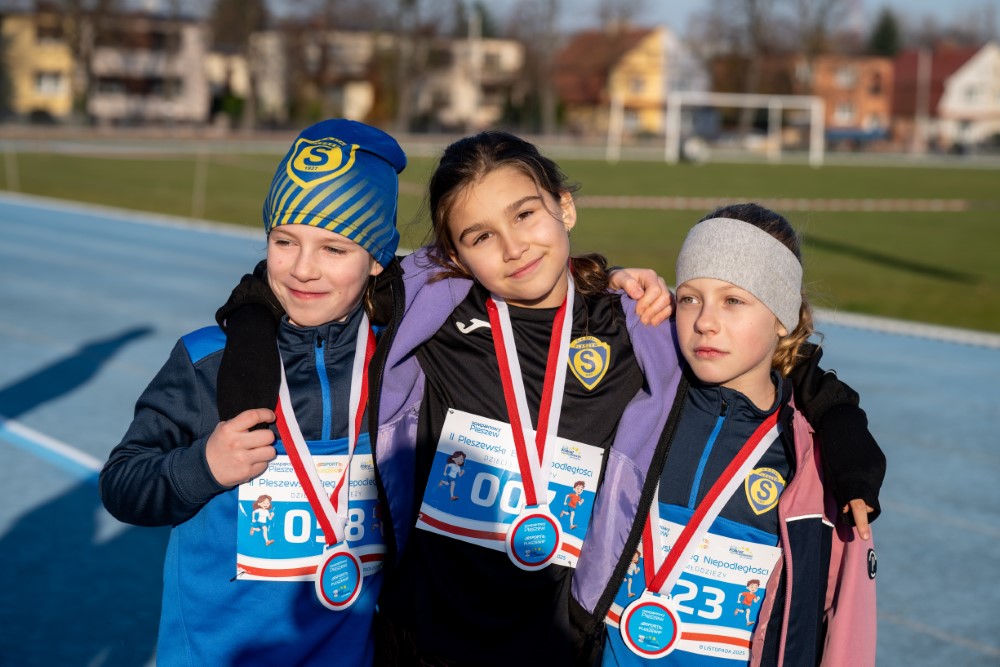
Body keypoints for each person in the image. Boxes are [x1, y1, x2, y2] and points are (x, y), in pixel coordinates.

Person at [214, 132, 884, 666]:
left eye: (525, 214)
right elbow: (313, 276)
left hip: (558, 648)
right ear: (456, 255)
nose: (512, 248)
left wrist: (842, 426)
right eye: (480, 236)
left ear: (564, 206)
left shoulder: (636, 326)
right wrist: (248, 318)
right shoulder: (433, 315)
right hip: (421, 644)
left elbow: (765, 357)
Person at [98, 119, 407, 666]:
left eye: (334, 248)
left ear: (377, 258)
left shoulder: (401, 360)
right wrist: (204, 467)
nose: (303, 269)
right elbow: (122, 484)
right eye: (285, 241)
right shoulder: (207, 360)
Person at [585, 204, 878, 666]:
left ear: (782, 315)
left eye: (733, 301)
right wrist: (610, 284)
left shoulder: (814, 463)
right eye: (689, 298)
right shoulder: (640, 400)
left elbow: (842, 633)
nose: (705, 321)